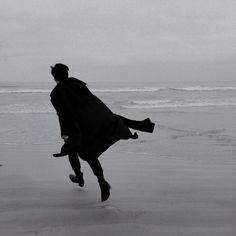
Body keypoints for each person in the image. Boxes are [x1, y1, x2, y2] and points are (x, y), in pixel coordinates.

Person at [50, 63, 155, 202]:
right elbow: (93, 101)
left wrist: (64, 132)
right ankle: (101, 181)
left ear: (54, 77)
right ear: (67, 73)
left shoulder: (56, 93)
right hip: (92, 120)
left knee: (72, 148)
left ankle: (80, 177)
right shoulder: (78, 83)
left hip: (76, 126)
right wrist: (106, 116)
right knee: (89, 153)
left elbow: (62, 114)